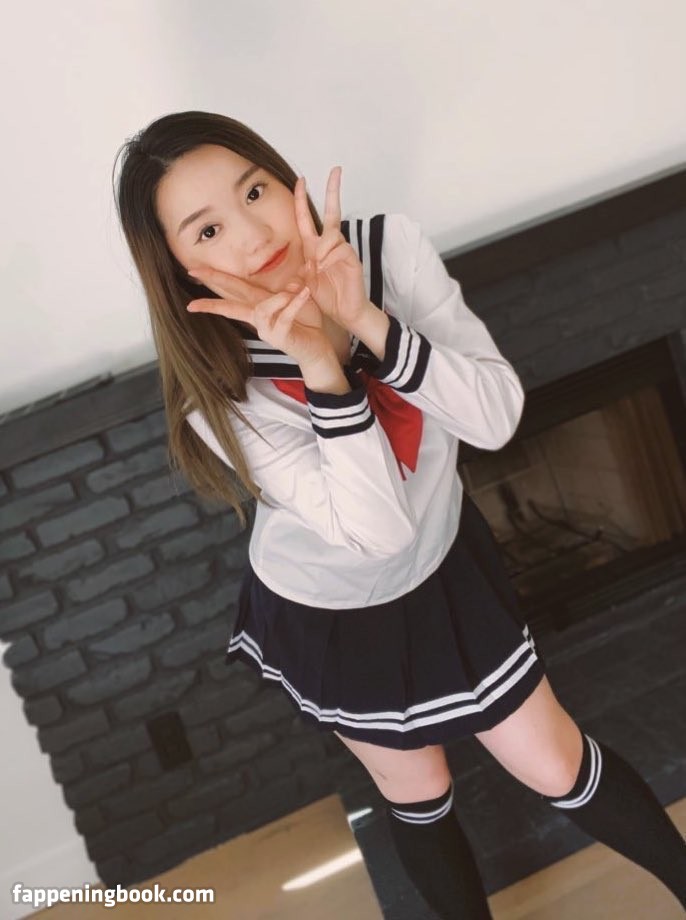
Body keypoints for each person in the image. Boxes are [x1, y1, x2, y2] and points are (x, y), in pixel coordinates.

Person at [114, 111, 686, 919]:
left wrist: (367, 323)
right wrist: (322, 366)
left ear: (284, 178)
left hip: (444, 559)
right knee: (418, 790)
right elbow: (377, 533)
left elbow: (495, 418)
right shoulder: (220, 388)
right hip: (336, 609)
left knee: (556, 762)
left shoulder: (385, 251)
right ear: (179, 268)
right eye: (207, 229)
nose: (253, 233)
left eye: (255, 191)